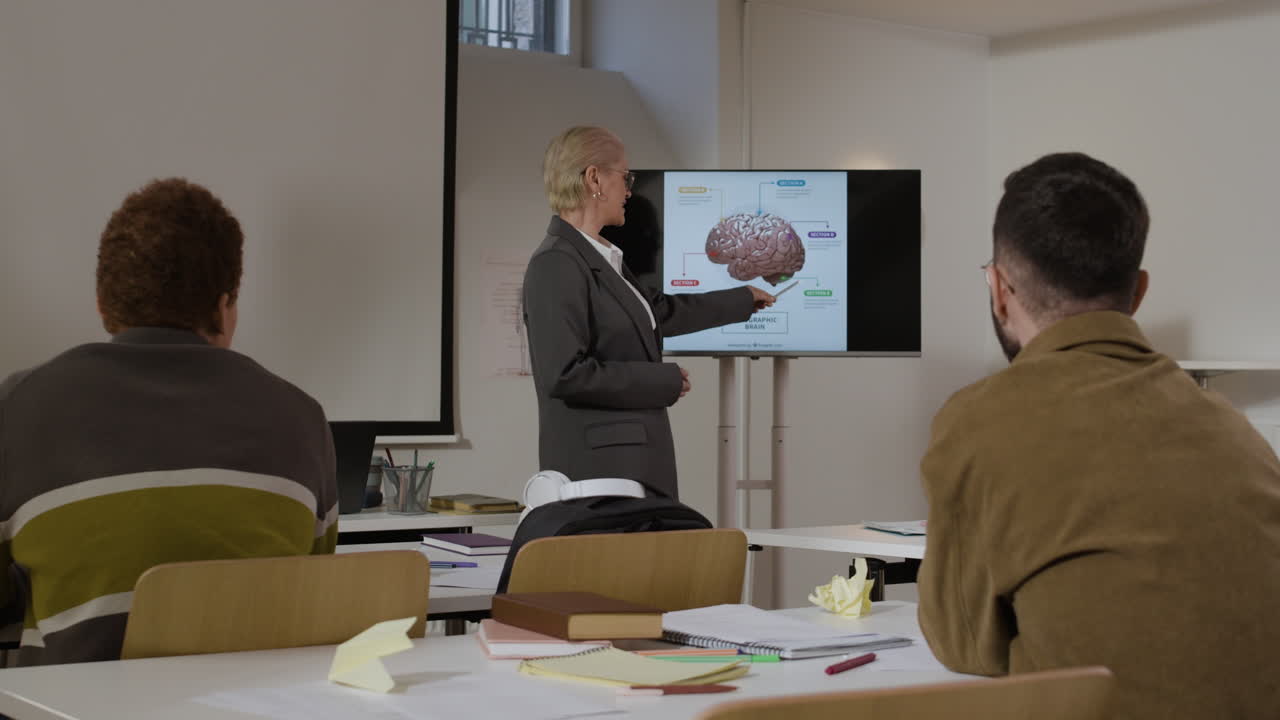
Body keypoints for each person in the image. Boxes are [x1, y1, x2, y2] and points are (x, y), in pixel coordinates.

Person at [917, 152, 1280, 719]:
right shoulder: (1230, 424)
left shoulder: (978, 420)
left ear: (999, 290)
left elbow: (963, 645)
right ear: (1137, 292)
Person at [0, 178, 338, 665]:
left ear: (103, 305)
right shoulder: (303, 416)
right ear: (224, 307)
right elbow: (312, 582)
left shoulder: (18, 405)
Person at [523, 126, 775, 500]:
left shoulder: (598, 256)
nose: (629, 191)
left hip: (631, 467)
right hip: (600, 474)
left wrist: (741, 300)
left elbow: (658, 311)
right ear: (594, 178)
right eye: (625, 177)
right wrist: (661, 381)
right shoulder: (556, 263)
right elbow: (564, 375)